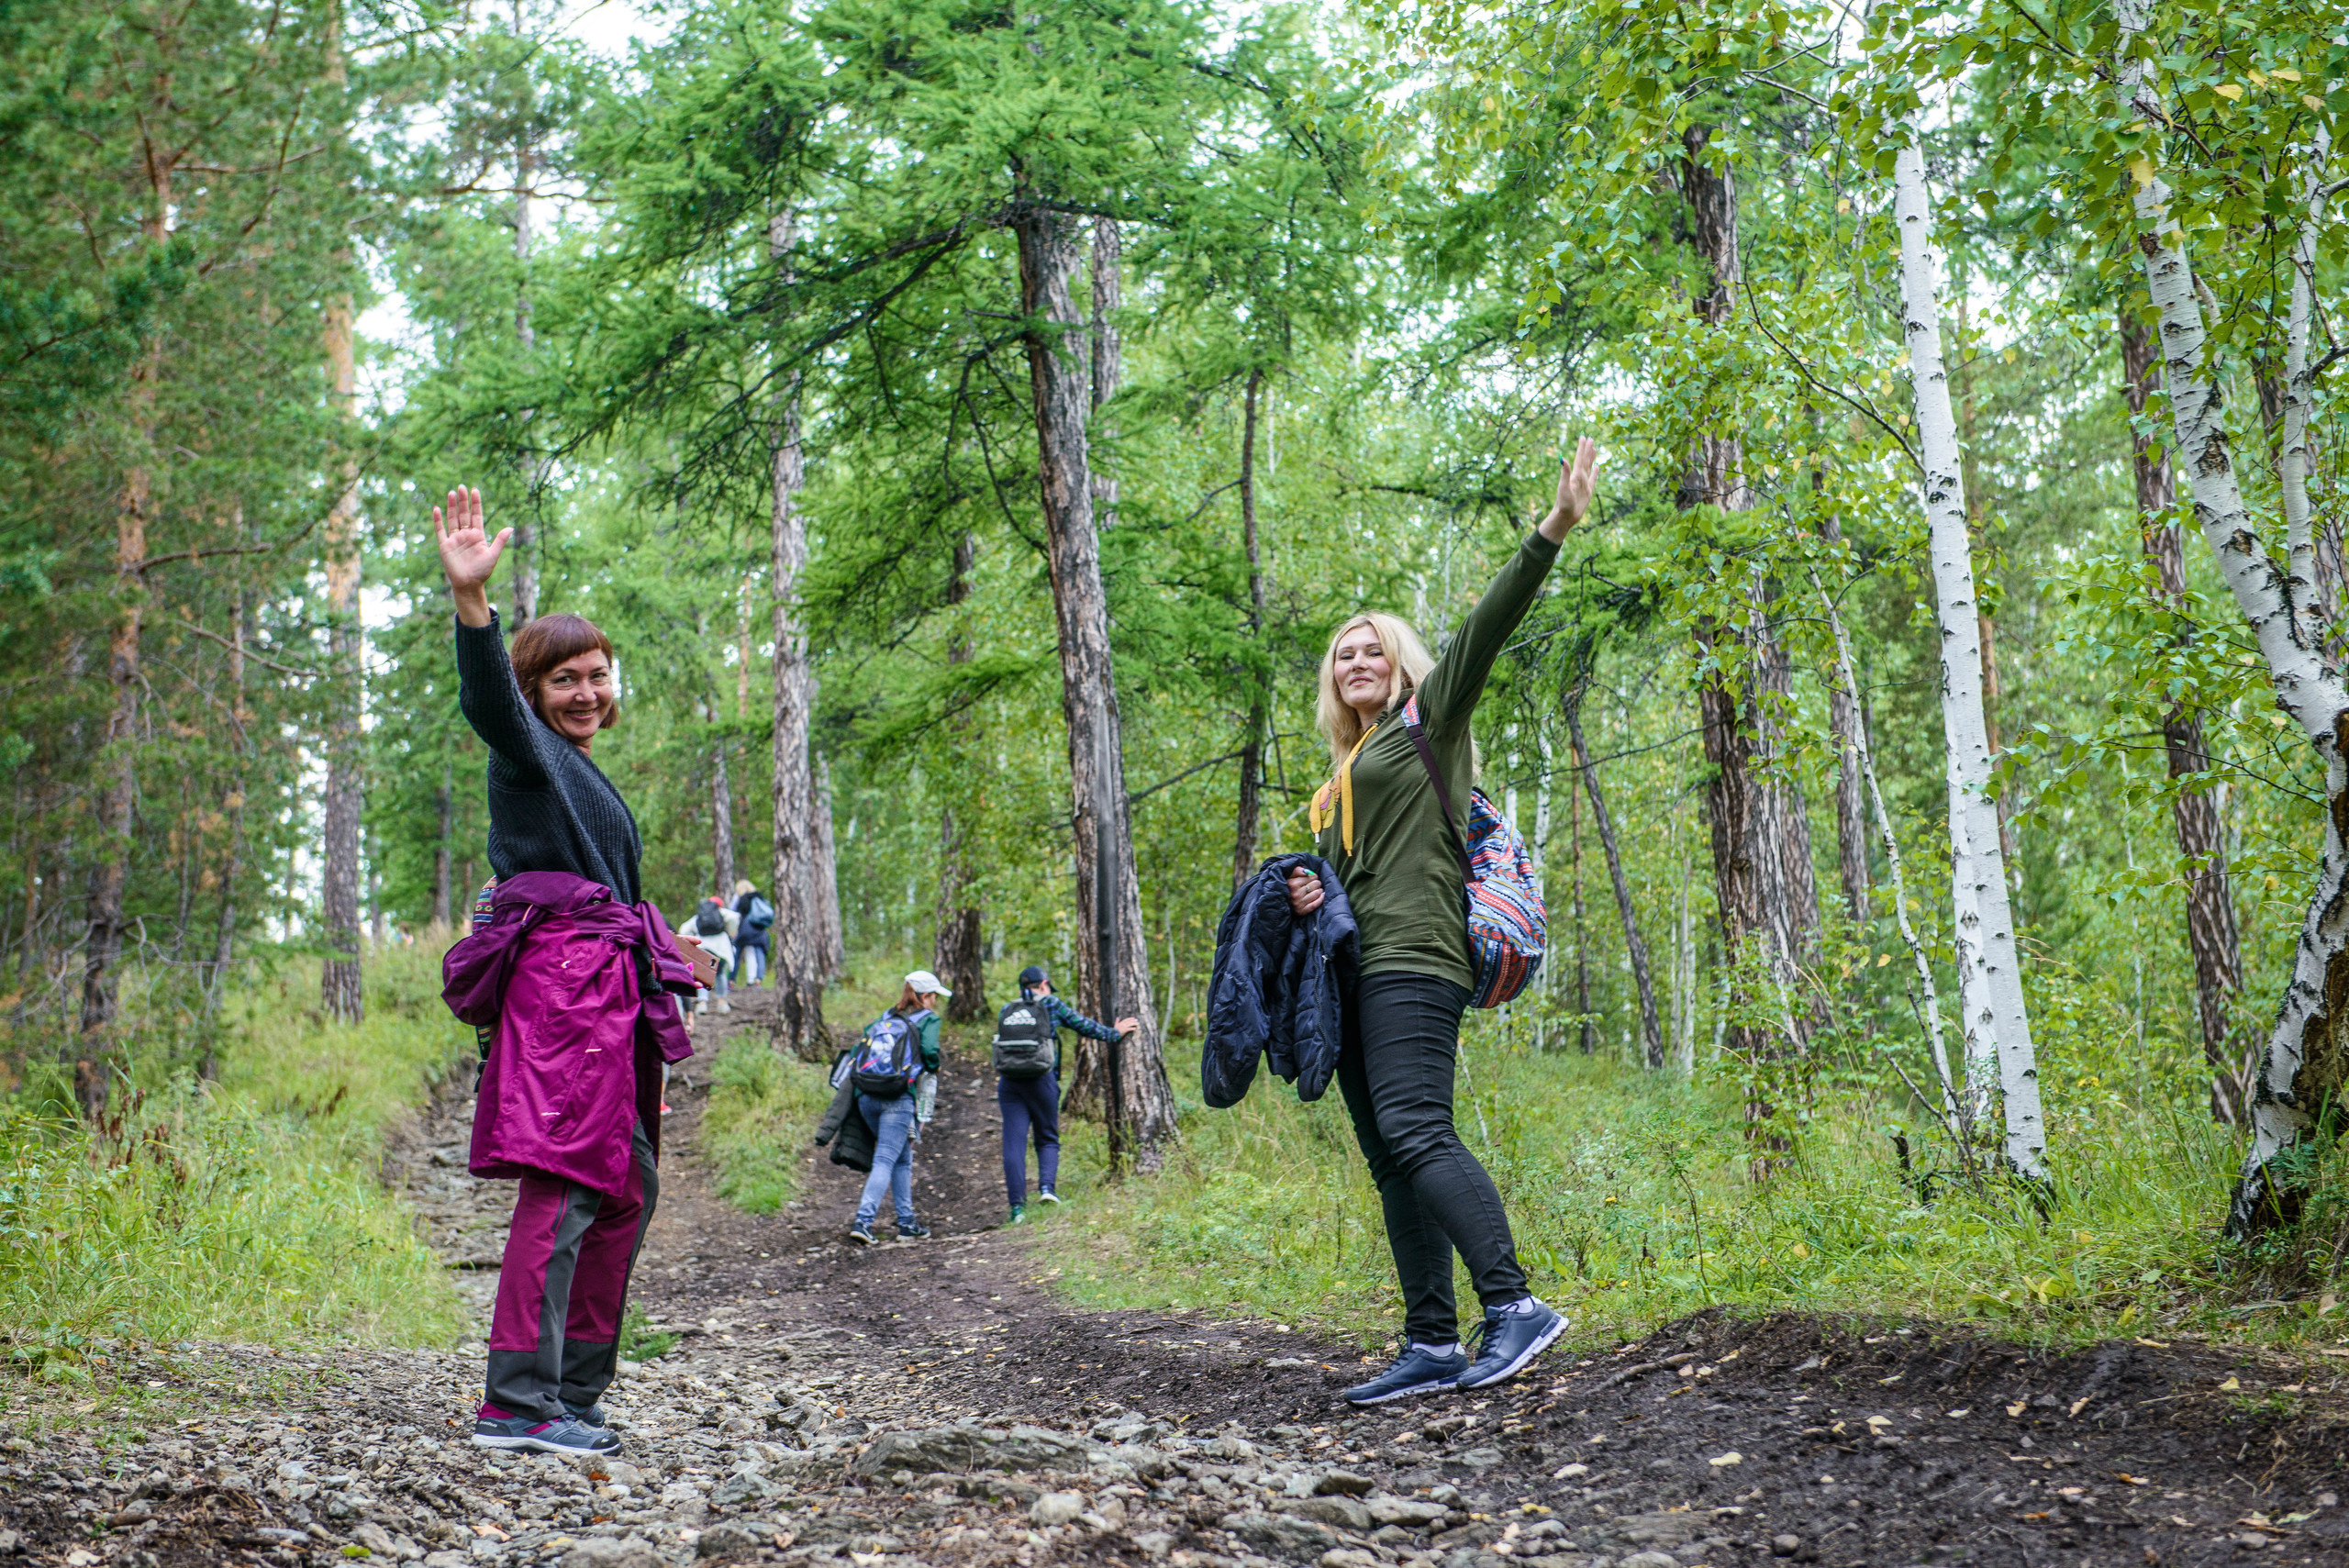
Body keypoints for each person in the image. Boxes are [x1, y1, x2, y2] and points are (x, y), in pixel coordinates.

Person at [1287, 439, 1599, 1405]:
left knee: (1419, 1130)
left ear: (1403, 662)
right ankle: (1429, 1338)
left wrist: (1553, 527)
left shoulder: (1430, 720)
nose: (1357, 661)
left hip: (1415, 959)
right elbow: (1347, 880)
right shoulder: (1335, 778)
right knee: (1389, 1158)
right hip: (1350, 974)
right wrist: (1309, 891)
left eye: (1372, 646)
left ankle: (1512, 1306)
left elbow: (1486, 626)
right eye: (1343, 654)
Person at [435, 485, 696, 1458]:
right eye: (563, 680)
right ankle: (515, 1400)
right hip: (564, 994)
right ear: (535, 694)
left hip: (608, 996)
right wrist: (473, 605)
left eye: (595, 673)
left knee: (626, 1183)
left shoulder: (587, 767)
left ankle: (572, 1389)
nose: (584, 690)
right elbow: (487, 703)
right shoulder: (528, 750)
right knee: (566, 1178)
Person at [994, 966, 1136, 1225]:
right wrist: (1115, 1033)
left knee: (1013, 1143)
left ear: (1021, 988)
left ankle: (1017, 1208)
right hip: (1041, 1080)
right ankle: (1047, 1190)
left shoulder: (1008, 1009)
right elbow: (1084, 1026)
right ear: (1044, 984)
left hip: (1010, 1083)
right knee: (1047, 1137)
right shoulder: (1051, 1004)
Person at [846, 970, 951, 1245]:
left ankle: (906, 1223)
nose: (936, 1003)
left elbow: (860, 1050)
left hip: (866, 1095)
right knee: (885, 1158)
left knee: (902, 1157)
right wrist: (934, 1066)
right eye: (935, 997)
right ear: (925, 997)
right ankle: (864, 1220)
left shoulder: (884, 1018)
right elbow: (929, 1052)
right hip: (898, 1097)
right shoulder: (929, 1019)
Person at [732, 879, 774, 986]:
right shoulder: (759, 897)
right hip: (760, 928)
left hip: (746, 928)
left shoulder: (743, 899)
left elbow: (734, 912)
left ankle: (732, 980)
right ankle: (758, 980)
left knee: (738, 952)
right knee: (759, 953)